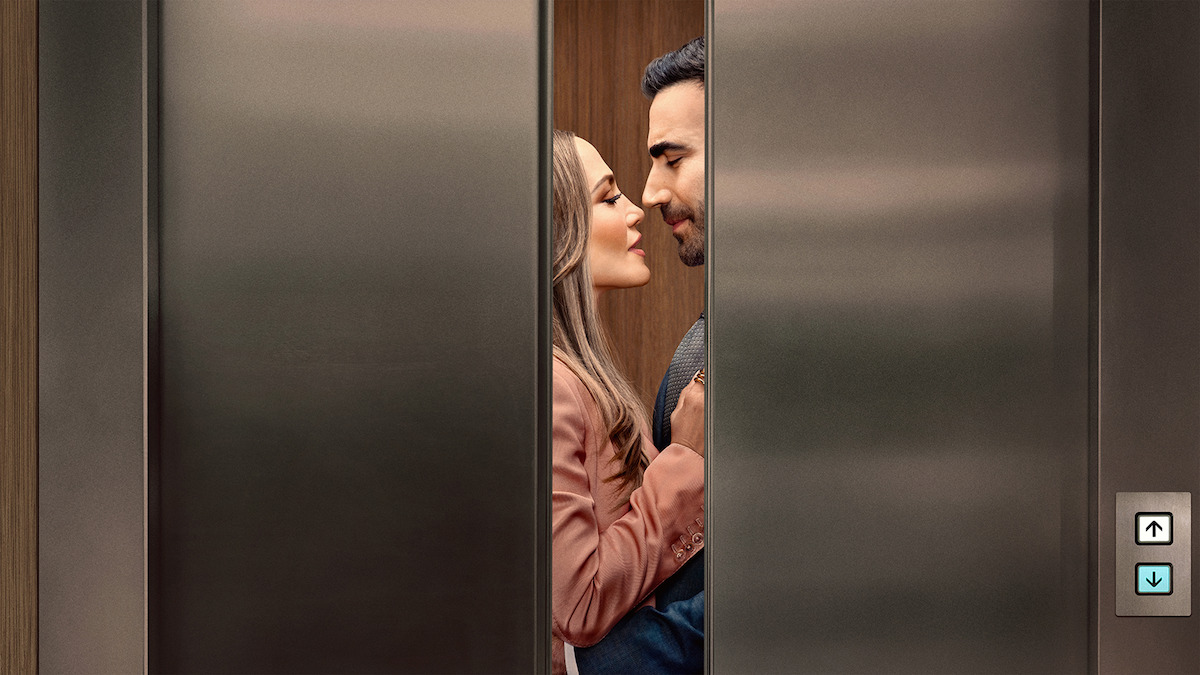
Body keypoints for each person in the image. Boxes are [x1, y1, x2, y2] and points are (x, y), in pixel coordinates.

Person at [573, 36, 708, 674]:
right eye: (609, 196)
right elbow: (579, 604)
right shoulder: (689, 365)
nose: (646, 198)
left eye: (672, 159)